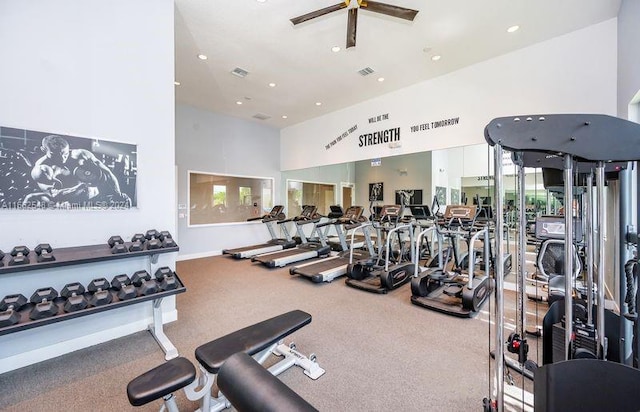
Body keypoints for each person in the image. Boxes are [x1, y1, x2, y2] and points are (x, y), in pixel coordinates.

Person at [23, 135, 131, 208]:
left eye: (65, 154)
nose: (62, 159)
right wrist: (80, 187)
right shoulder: (42, 168)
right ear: (43, 150)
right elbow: (54, 195)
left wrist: (118, 194)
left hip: (96, 200)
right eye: (55, 154)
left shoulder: (80, 154)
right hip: (72, 207)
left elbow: (107, 172)